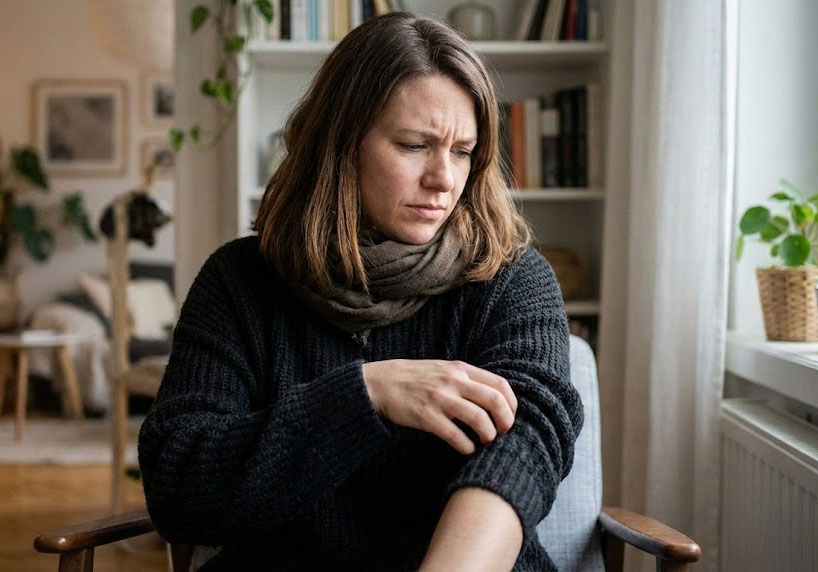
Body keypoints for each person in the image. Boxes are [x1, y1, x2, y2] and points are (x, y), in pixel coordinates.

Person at [138, 12, 583, 571]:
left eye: (463, 151)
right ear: (340, 144)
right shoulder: (240, 283)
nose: (444, 179)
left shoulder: (510, 279)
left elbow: (526, 446)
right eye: (414, 144)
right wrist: (364, 395)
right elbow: (179, 485)